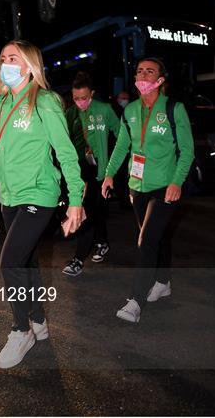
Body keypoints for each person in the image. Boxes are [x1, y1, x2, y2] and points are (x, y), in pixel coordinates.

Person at [0, 40, 85, 369]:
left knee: (9, 262)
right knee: (27, 262)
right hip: (9, 195)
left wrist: (75, 200)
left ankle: (21, 331)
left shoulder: (45, 101)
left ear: (30, 65)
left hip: (39, 193)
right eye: (3, 57)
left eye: (14, 58)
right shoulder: (1, 104)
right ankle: (38, 320)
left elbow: (66, 153)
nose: (6, 62)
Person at [101, 57, 194, 323]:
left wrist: (177, 181)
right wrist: (108, 175)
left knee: (146, 240)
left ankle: (135, 301)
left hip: (165, 187)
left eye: (149, 71)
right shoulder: (129, 110)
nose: (143, 74)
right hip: (136, 185)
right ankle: (162, 282)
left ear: (161, 79)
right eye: (140, 70)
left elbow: (187, 150)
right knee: (157, 236)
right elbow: (122, 146)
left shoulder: (174, 109)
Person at [62, 72, 120, 276]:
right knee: (93, 210)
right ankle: (102, 242)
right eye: (76, 98)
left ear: (92, 94)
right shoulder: (70, 113)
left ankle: (78, 259)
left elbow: (122, 135)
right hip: (79, 170)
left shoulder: (104, 110)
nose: (80, 102)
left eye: (84, 98)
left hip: (101, 170)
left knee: (89, 211)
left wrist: (114, 165)